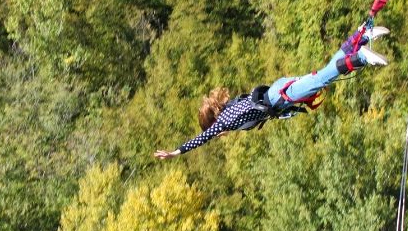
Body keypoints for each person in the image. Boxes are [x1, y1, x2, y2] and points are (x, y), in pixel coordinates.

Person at [154, 25, 390, 159]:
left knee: (324, 78)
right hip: (278, 91)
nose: (218, 136)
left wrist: (176, 152)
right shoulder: (231, 109)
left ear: (213, 123)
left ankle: (360, 56)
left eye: (214, 131)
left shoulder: (223, 121)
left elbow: (201, 139)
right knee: (326, 74)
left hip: (279, 96)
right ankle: (361, 37)